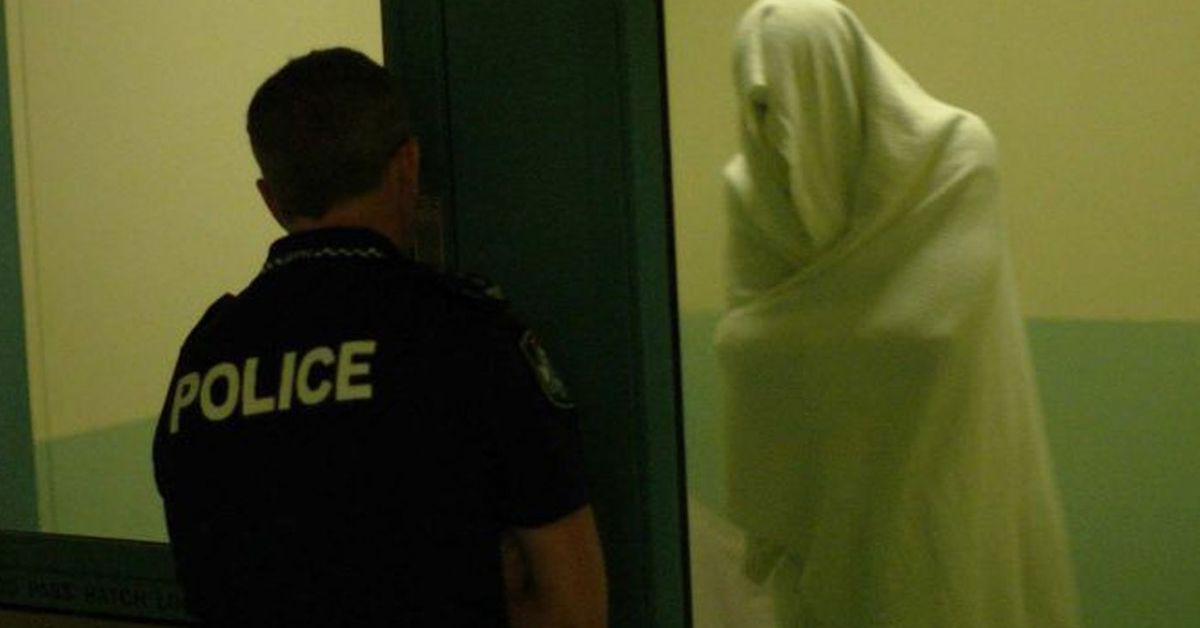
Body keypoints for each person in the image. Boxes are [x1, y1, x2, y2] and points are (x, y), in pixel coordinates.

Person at [152, 47, 606, 628]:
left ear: (270, 197)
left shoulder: (205, 359)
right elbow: (575, 611)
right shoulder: (467, 337)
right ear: (408, 164)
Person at [714, 1, 1080, 626]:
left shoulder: (955, 159)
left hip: (941, 479)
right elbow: (758, 347)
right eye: (760, 107)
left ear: (836, 74)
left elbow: (930, 329)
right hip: (821, 512)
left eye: (786, 99)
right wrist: (780, 343)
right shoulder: (753, 190)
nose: (774, 129)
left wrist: (776, 343)